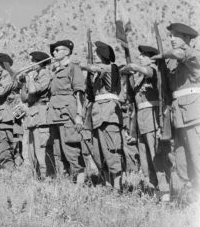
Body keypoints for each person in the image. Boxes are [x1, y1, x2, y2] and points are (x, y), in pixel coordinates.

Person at [153, 23, 200, 200]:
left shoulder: (195, 54)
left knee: (199, 158)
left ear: (188, 38)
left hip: (194, 115)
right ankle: (189, 198)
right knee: (181, 160)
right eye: (170, 36)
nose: (171, 39)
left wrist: (162, 55)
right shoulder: (172, 62)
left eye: (175, 35)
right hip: (178, 116)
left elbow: (179, 53)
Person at [121, 45, 171, 197]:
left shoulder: (154, 71)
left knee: (157, 158)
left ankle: (165, 191)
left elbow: (146, 71)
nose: (140, 57)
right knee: (145, 160)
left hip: (152, 119)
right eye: (140, 55)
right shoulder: (139, 79)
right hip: (141, 121)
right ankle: (152, 190)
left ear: (151, 58)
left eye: (143, 55)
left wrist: (132, 66)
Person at [80, 41, 124, 190]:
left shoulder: (110, 67)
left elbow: (96, 68)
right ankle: (107, 184)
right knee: (98, 152)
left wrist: (80, 65)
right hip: (96, 115)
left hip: (109, 114)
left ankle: (117, 187)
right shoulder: (95, 73)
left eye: (97, 53)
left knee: (112, 151)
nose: (94, 56)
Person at [46, 39, 86, 183]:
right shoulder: (55, 70)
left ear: (67, 52)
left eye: (57, 50)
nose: (54, 52)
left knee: (71, 147)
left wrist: (79, 115)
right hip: (54, 113)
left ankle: (80, 182)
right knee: (58, 149)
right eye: (54, 50)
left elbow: (79, 93)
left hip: (68, 112)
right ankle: (66, 181)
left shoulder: (73, 68)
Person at [23, 51, 54, 179]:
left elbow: (33, 90)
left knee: (41, 148)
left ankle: (47, 177)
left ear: (40, 62)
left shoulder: (45, 74)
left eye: (33, 61)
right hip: (32, 114)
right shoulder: (35, 75)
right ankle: (36, 176)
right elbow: (24, 98)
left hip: (41, 113)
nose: (31, 64)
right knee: (31, 149)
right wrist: (23, 83)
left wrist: (30, 79)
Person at [0, 53, 22, 170]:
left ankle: (9, 170)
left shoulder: (8, 77)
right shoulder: (0, 78)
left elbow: (0, 92)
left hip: (4, 116)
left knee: (4, 146)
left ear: (3, 64)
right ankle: (3, 171)